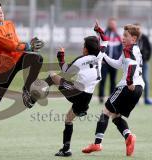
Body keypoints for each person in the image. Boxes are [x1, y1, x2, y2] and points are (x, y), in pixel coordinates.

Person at [0, 1, 45, 142]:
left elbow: (17, 44)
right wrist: (28, 45)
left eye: (1, 10)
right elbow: (11, 46)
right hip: (5, 68)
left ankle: (26, 89)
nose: (1, 12)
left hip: (19, 59)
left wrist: (28, 48)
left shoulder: (9, 24)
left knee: (38, 59)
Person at [44, 21, 108, 157]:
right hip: (86, 98)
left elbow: (66, 70)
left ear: (86, 49)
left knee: (52, 76)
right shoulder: (100, 54)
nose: (82, 47)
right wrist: (99, 30)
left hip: (76, 92)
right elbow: (105, 40)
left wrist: (60, 57)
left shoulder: (81, 60)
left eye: (83, 45)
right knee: (68, 120)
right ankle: (66, 149)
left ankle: (32, 96)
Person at [82, 24, 144, 157]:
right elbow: (117, 64)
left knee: (105, 111)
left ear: (133, 39)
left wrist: (129, 81)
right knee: (116, 116)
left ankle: (97, 143)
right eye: (123, 35)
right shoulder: (135, 49)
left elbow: (131, 65)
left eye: (126, 36)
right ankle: (128, 136)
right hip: (139, 88)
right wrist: (103, 56)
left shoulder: (128, 49)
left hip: (127, 87)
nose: (122, 38)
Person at [98, 18, 123, 103]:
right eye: (111, 23)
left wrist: (118, 60)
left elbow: (121, 49)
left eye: (114, 24)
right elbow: (99, 47)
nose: (112, 25)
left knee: (113, 80)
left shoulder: (118, 36)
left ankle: (111, 97)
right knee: (103, 79)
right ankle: (101, 97)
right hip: (104, 62)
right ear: (108, 24)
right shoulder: (104, 34)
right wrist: (100, 59)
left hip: (114, 62)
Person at [135, 23, 152, 105]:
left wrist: (146, 58)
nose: (138, 30)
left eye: (139, 29)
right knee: (135, 81)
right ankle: (136, 99)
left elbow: (149, 49)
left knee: (145, 80)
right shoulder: (132, 38)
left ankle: (146, 99)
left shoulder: (144, 38)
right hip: (134, 63)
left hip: (144, 62)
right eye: (136, 29)